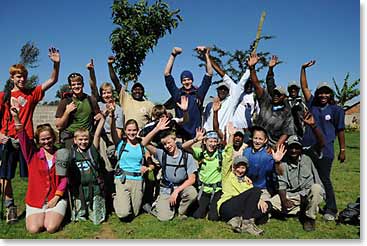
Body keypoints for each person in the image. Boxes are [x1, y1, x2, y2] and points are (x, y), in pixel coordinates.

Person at [0, 47, 60, 224]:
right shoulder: (4, 97)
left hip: (26, 142)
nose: (21, 79)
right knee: (4, 177)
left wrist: (56, 64)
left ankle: (41, 202)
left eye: (24, 76)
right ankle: (10, 207)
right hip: (8, 140)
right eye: (18, 76)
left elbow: (53, 80)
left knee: (37, 174)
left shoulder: (32, 94)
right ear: (12, 78)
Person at [300, 60, 346, 221]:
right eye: (320, 92)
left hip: (325, 150)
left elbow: (340, 130)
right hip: (308, 148)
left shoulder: (337, 110)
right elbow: (305, 87)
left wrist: (342, 149)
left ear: (330, 94)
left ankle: (331, 209)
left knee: (324, 178)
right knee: (309, 178)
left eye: (326, 93)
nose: (323, 95)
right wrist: (303, 69)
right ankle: (310, 204)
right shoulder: (312, 104)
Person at [11, 107, 67, 233]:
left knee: (51, 227)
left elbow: (64, 179)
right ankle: (42, 214)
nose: (47, 141)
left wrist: (57, 197)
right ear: (38, 141)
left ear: (53, 137)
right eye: (43, 139)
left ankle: (58, 211)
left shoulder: (60, 154)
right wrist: (16, 117)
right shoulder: (32, 156)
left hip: (55, 198)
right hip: (35, 200)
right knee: (34, 229)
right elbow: (22, 137)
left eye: (49, 138)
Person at [217, 124, 279, 235]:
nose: (240, 170)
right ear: (233, 167)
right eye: (238, 167)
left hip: (238, 207)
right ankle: (247, 223)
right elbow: (227, 157)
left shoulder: (247, 183)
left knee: (266, 206)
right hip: (226, 206)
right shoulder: (227, 175)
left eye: (243, 167)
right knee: (255, 191)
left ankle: (236, 221)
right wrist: (231, 136)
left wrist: (277, 161)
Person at [270, 111, 326, 231]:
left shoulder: (308, 156)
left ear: (301, 149)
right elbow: (282, 183)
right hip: (293, 196)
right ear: (287, 149)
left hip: (307, 194)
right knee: (272, 203)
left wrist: (313, 126)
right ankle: (301, 210)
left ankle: (309, 218)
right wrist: (284, 200)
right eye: (291, 148)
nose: (294, 150)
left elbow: (321, 143)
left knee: (316, 188)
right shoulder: (283, 163)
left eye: (297, 147)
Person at [141, 118, 198, 221]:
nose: (167, 146)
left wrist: (177, 191)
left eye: (169, 142)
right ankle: (157, 205)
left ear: (174, 139)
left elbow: (192, 179)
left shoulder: (186, 156)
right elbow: (144, 143)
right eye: (164, 144)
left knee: (192, 193)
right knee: (165, 218)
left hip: (181, 187)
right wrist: (157, 129)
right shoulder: (161, 154)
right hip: (166, 188)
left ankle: (181, 212)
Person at [247, 53, 295, 149]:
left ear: (284, 97)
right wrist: (252, 68)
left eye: (279, 94)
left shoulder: (287, 112)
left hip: (272, 147)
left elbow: (286, 133)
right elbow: (256, 84)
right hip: (256, 142)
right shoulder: (266, 101)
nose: (276, 96)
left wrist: (275, 148)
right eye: (274, 93)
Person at [164, 46, 212, 140]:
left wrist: (206, 55)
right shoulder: (177, 94)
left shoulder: (198, 93)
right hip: (180, 136)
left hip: (196, 136)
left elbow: (209, 74)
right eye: (184, 80)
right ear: (181, 82)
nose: (187, 82)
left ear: (192, 80)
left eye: (189, 79)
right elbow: (167, 74)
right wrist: (173, 54)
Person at [110, 115, 153, 221]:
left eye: (134, 130)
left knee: (135, 213)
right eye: (129, 130)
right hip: (122, 179)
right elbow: (113, 131)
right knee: (124, 213)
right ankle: (117, 197)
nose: (131, 133)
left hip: (138, 180)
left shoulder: (142, 146)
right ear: (125, 131)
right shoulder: (121, 144)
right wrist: (112, 116)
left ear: (137, 130)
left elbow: (151, 165)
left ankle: (124, 199)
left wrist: (147, 168)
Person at [86, 58, 124, 172]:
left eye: (108, 92)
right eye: (104, 93)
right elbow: (93, 86)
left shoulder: (118, 109)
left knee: (112, 161)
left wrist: (114, 143)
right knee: (101, 162)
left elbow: (118, 131)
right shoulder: (98, 104)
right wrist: (91, 71)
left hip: (112, 137)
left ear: (112, 93)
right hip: (99, 135)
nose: (106, 95)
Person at [67, 116, 106, 225]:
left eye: (85, 139)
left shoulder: (92, 150)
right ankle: (83, 211)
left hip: (94, 188)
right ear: (75, 140)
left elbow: (97, 134)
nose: (83, 142)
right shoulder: (71, 154)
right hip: (79, 190)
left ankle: (93, 211)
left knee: (97, 219)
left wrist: (103, 119)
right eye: (80, 139)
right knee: (79, 216)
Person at [181, 128, 223, 221]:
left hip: (217, 189)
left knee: (213, 217)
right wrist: (195, 139)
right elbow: (183, 147)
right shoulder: (201, 153)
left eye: (215, 141)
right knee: (197, 215)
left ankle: (211, 207)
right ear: (205, 142)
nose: (212, 144)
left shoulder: (220, 155)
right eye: (210, 141)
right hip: (204, 189)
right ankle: (206, 206)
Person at [55, 72, 102, 148]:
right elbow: (59, 126)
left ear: (83, 84)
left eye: (78, 84)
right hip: (70, 139)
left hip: (87, 139)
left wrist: (101, 115)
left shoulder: (91, 100)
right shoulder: (65, 102)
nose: (76, 86)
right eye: (73, 84)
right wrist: (67, 112)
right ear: (70, 86)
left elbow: (98, 117)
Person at [203, 56, 250, 134]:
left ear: (229, 92)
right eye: (221, 89)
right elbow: (206, 123)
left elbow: (241, 83)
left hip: (225, 138)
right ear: (217, 90)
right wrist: (207, 57)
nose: (223, 91)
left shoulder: (231, 101)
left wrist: (249, 68)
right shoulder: (209, 105)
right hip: (210, 138)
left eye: (225, 89)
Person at [265, 55, 307, 138]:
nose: (293, 90)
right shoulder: (285, 101)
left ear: (298, 90)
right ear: (288, 90)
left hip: (300, 135)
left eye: (295, 88)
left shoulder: (303, 102)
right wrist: (270, 69)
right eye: (291, 88)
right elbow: (271, 86)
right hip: (285, 135)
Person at [108, 56, 154, 129]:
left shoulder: (150, 105)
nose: (137, 91)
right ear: (131, 91)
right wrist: (110, 65)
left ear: (143, 92)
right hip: (126, 136)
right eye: (135, 89)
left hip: (142, 138)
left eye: (140, 89)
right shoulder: (126, 99)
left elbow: (156, 119)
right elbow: (116, 82)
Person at [243, 126, 283, 200]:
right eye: (255, 138)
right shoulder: (246, 152)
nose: (257, 141)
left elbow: (279, 173)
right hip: (246, 187)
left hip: (263, 190)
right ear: (252, 138)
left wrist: (277, 162)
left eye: (260, 139)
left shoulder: (269, 154)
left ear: (265, 140)